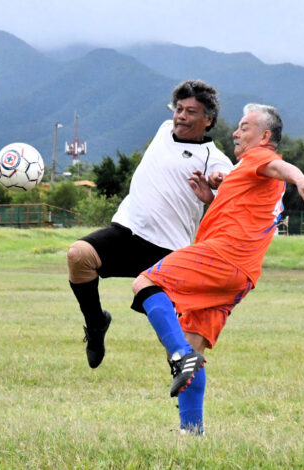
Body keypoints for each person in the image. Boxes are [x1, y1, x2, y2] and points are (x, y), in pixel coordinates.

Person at [130, 103, 304, 434]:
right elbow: (243, 211)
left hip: (223, 258)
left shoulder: (260, 159)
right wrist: (212, 197)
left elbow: (280, 167)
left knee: (146, 282)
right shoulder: (249, 175)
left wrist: (301, 179)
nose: (236, 132)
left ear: (264, 136)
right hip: (241, 276)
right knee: (193, 342)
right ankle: (191, 433)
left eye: (244, 127)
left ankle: (180, 356)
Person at [67, 80, 233, 368]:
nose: (181, 116)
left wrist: (216, 187)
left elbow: (226, 190)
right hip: (127, 231)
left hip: (169, 251)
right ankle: (95, 324)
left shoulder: (215, 159)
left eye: (191, 112)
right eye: (179, 109)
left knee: (172, 335)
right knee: (78, 256)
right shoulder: (163, 131)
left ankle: (184, 382)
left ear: (209, 120)